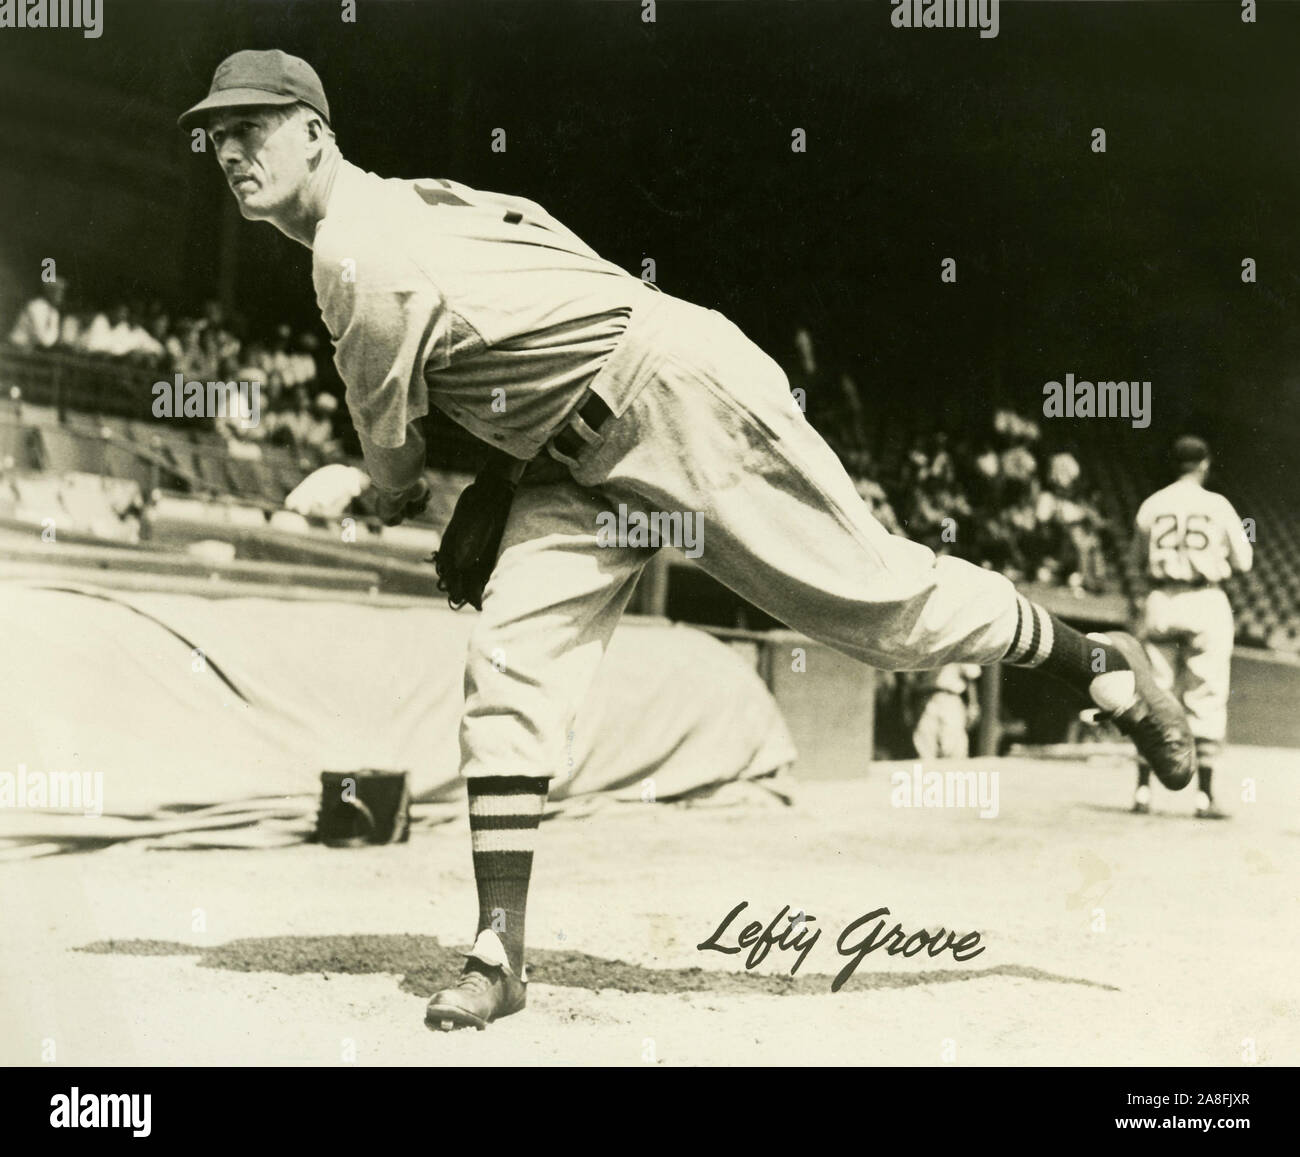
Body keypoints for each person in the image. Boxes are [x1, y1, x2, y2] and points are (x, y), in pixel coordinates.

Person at [179, 49, 1198, 1032]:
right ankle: (498, 949)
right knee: (509, 665)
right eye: (216, 135)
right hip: (568, 460)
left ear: (313, 133)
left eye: (252, 126)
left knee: (878, 606)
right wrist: (507, 460)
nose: (231, 149)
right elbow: (545, 278)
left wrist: (370, 485)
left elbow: (394, 468)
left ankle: (1094, 660)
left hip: (670, 394)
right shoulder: (413, 199)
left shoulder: (355, 249)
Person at [1130, 436, 1253, 819]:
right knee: (1206, 694)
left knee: (1153, 693)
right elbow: (1244, 561)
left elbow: (1136, 561)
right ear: (1204, 464)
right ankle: (1203, 797)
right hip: (1204, 598)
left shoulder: (1152, 504)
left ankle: (1142, 792)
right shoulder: (1217, 505)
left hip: (1161, 598)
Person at [8, 279, 66, 349]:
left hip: (31, 350)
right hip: (16, 348)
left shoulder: (54, 312)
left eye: (62, 292)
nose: (61, 295)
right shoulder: (36, 306)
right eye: (59, 291)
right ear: (50, 292)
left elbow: (50, 339)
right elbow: (43, 340)